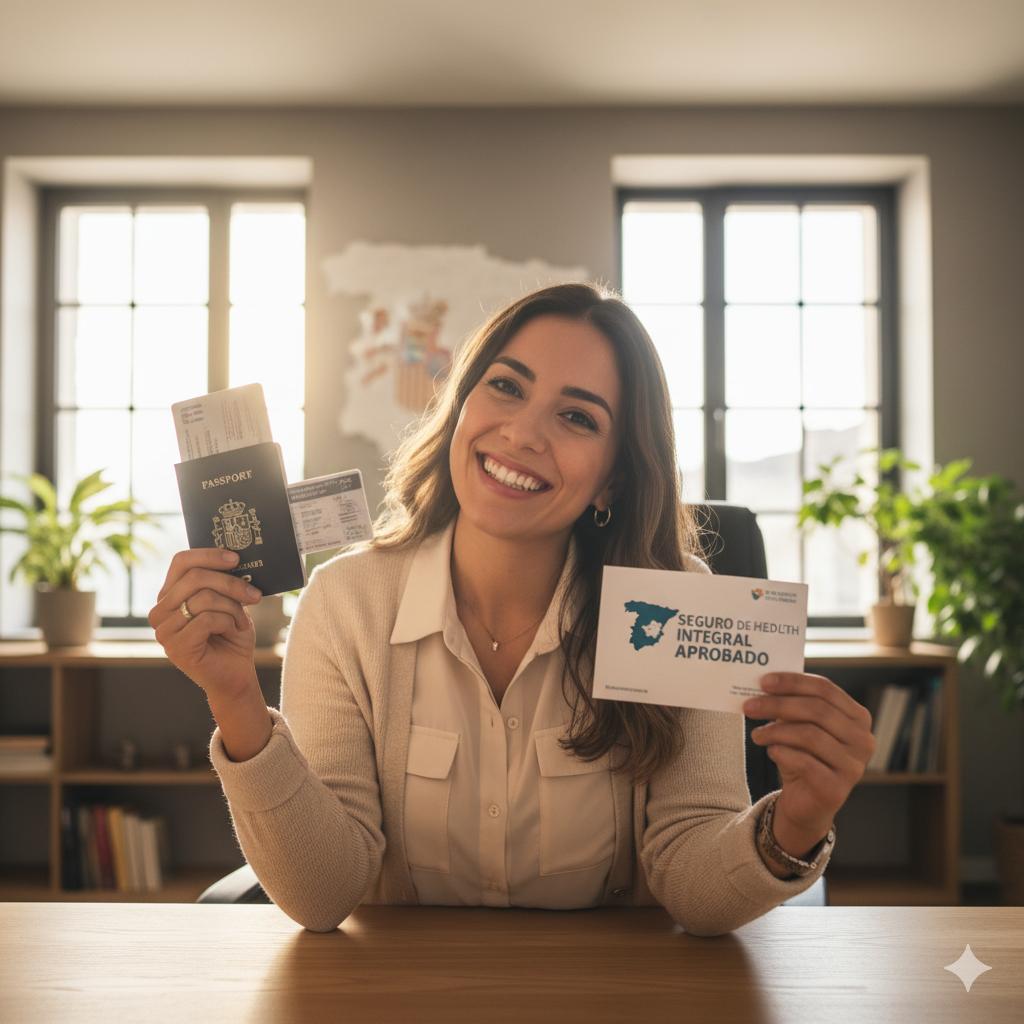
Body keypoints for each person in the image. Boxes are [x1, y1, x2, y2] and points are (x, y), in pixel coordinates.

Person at [149, 282, 874, 934]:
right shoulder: (345, 604)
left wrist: (796, 824)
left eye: (578, 418)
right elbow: (323, 892)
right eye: (504, 387)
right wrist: (236, 699)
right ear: (461, 406)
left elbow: (691, 882)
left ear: (612, 481)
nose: (523, 434)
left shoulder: (676, 607)